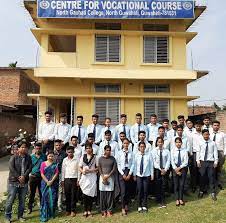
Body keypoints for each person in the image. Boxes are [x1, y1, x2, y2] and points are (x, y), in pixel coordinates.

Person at [5, 142, 32, 223]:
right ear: (19, 148)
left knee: (22, 200)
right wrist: (18, 177)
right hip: (13, 182)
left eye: (25, 147)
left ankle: (20, 216)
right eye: (22, 147)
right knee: (10, 200)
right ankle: (7, 217)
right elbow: (11, 168)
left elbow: (30, 167)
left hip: (24, 182)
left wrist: (24, 176)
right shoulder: (14, 157)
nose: (24, 149)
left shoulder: (28, 157)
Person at [197, 129, 218, 201]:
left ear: (209, 135)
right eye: (204, 134)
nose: (206, 136)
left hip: (211, 162)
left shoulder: (213, 143)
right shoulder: (200, 142)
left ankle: (213, 192)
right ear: (202, 135)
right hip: (202, 162)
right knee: (202, 177)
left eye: (207, 134)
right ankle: (201, 191)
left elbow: (215, 153)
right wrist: (198, 161)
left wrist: (216, 162)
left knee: (211, 177)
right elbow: (198, 152)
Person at [132, 142, 154, 213]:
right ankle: (139, 205)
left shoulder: (148, 155)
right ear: (139, 148)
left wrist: (152, 174)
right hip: (139, 175)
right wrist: (134, 175)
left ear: (145, 147)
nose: (142, 148)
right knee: (139, 190)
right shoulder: (136, 155)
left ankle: (144, 205)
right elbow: (134, 166)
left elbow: (151, 165)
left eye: (143, 147)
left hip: (146, 175)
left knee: (145, 190)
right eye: (141, 147)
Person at [79, 143, 98, 217]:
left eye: (89, 148)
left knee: (90, 194)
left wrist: (91, 170)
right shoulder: (82, 157)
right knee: (84, 194)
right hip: (85, 177)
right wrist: (82, 171)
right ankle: (85, 210)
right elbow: (79, 166)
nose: (88, 149)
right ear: (85, 149)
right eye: (87, 148)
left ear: (92, 149)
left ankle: (89, 210)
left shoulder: (95, 157)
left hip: (92, 177)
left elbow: (98, 168)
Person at [98, 145, 117, 217]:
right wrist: (103, 176)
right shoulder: (100, 159)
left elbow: (114, 168)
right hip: (102, 178)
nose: (108, 151)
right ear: (104, 150)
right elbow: (99, 168)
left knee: (110, 195)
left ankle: (109, 210)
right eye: (107, 150)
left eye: (109, 150)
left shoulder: (113, 159)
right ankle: (103, 211)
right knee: (102, 195)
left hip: (110, 177)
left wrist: (108, 175)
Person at [40, 151, 59, 222]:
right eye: (49, 156)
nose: (50, 157)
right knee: (45, 198)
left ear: (54, 157)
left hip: (53, 184)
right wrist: (47, 181)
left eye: (52, 156)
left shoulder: (55, 164)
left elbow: (56, 173)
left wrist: (51, 181)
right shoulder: (43, 163)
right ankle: (45, 214)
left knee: (53, 198)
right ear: (47, 156)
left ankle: (51, 213)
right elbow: (42, 173)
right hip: (44, 184)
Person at [151, 137, 170, 208]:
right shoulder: (153, 151)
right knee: (157, 185)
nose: (160, 143)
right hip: (157, 170)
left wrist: (165, 169)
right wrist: (160, 169)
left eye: (161, 142)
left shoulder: (167, 151)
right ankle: (158, 200)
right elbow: (154, 161)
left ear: (163, 143)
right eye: (158, 142)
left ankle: (163, 200)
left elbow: (168, 160)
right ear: (156, 143)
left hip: (165, 170)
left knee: (164, 185)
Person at [116, 138, 133, 216]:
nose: (126, 145)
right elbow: (118, 164)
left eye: (127, 143)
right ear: (122, 144)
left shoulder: (131, 153)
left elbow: (133, 164)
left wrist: (129, 174)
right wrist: (123, 174)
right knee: (122, 191)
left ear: (129, 144)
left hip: (129, 171)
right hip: (122, 172)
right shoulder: (119, 153)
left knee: (127, 191)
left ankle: (126, 204)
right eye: (124, 143)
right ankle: (122, 208)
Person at [28, 142, 46, 214]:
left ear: (41, 149)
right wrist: (29, 174)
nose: (38, 150)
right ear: (34, 148)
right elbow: (28, 166)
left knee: (41, 192)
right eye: (36, 148)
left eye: (39, 148)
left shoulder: (44, 156)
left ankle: (42, 206)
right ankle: (30, 207)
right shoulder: (31, 157)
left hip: (41, 177)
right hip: (33, 177)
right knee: (32, 193)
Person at [61, 146, 80, 217]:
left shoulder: (77, 159)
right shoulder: (64, 160)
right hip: (66, 179)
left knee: (73, 195)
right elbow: (63, 170)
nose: (70, 153)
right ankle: (67, 210)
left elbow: (78, 170)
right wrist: (62, 180)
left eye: (71, 152)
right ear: (66, 152)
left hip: (74, 179)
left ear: (73, 152)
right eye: (68, 152)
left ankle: (73, 210)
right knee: (67, 195)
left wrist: (78, 179)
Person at [171, 137, 188, 206]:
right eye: (177, 142)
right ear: (175, 143)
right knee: (176, 185)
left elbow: (186, 162)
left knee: (181, 184)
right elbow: (172, 161)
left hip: (183, 168)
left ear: (181, 143)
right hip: (175, 169)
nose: (178, 144)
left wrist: (180, 168)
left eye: (179, 142)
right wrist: (176, 169)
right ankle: (177, 199)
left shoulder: (185, 150)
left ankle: (181, 198)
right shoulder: (172, 150)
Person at [210, 120, 226, 190]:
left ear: (219, 126)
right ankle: (212, 182)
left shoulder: (222, 134)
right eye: (214, 125)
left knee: (219, 168)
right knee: (212, 168)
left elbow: (225, 144)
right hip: (211, 153)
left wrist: (224, 153)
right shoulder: (209, 134)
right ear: (212, 126)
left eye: (217, 125)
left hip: (220, 152)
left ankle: (219, 183)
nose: (216, 127)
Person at [53, 140, 67, 212]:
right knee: (54, 190)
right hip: (53, 174)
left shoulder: (64, 154)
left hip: (61, 173)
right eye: (56, 145)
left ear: (61, 146)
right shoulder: (51, 154)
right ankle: (53, 205)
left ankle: (59, 205)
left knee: (60, 190)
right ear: (54, 146)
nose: (58, 146)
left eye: (59, 145)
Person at [190, 120, 203, 192]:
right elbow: (190, 144)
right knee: (194, 170)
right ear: (195, 126)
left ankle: (200, 184)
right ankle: (193, 186)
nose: (198, 127)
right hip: (194, 153)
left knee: (201, 170)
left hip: (202, 154)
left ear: (201, 126)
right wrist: (191, 153)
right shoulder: (192, 134)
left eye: (199, 126)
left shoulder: (203, 133)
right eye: (197, 126)